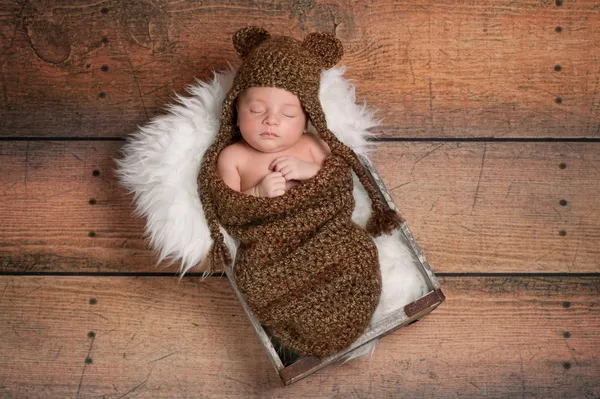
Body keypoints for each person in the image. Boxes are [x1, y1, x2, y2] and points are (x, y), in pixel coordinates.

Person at [217, 86, 331, 197]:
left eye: (289, 114)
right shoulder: (232, 157)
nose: (271, 120)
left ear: (307, 121)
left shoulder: (313, 144)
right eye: (257, 110)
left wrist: (313, 171)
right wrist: (256, 193)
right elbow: (227, 206)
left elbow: (340, 180)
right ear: (237, 114)